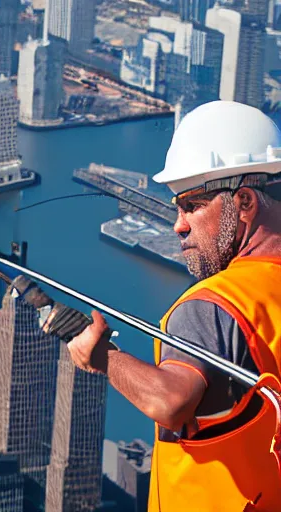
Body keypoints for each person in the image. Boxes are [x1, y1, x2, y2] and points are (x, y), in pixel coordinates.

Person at [66, 101, 281, 512]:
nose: (178, 225)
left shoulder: (213, 304)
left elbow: (170, 402)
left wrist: (104, 358)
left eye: (192, 206)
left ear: (245, 203)